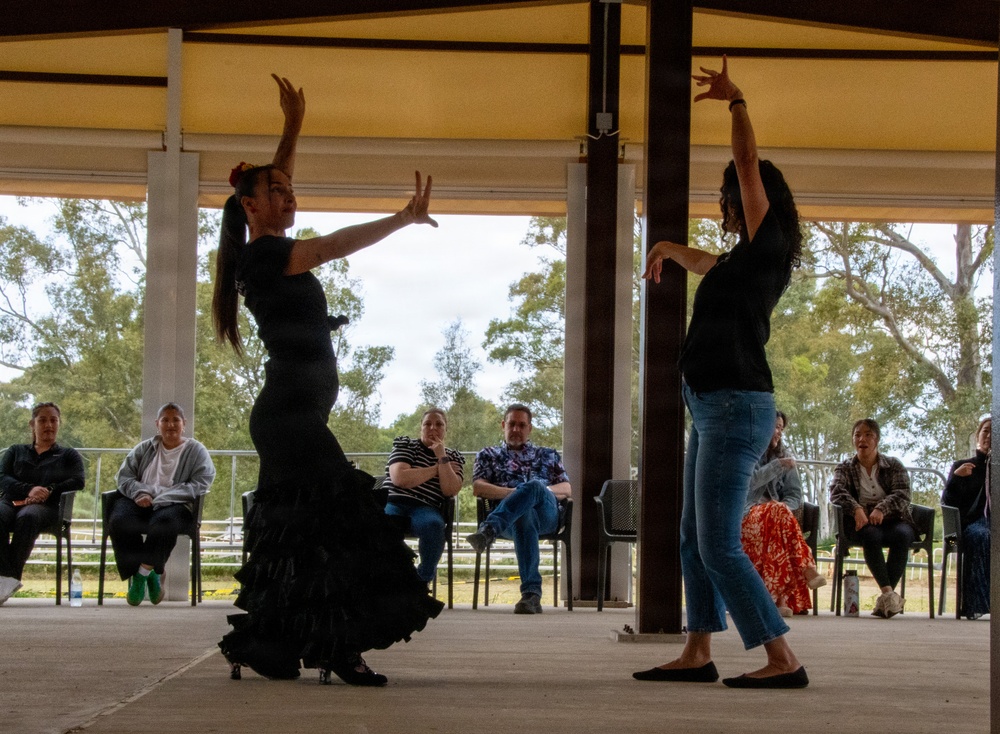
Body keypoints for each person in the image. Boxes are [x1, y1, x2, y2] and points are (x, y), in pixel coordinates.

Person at [213, 75, 441, 687]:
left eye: (291, 192)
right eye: (277, 195)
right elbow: (335, 244)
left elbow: (272, 181)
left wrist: (292, 128)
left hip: (294, 416)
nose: (289, 198)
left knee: (300, 536)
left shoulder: (265, 242)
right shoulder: (264, 255)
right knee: (341, 522)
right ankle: (339, 648)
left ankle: (275, 642)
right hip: (288, 418)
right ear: (251, 208)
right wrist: (401, 217)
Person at [632, 57, 808, 688]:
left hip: (735, 405)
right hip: (709, 404)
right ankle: (698, 650)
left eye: (731, 194)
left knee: (718, 546)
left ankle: (782, 658)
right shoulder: (745, 260)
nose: (728, 201)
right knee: (691, 538)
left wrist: (737, 103)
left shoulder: (770, 241)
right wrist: (671, 249)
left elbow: (748, 164)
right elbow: (712, 263)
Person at [465, 403, 572, 615]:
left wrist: (534, 493)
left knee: (534, 487)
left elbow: (566, 488)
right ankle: (531, 595)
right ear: (503, 425)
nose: (516, 429)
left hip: (547, 516)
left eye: (522, 425)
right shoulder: (488, 454)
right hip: (511, 522)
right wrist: (519, 497)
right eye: (512, 424)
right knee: (525, 514)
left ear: (529, 428)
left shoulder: (548, 454)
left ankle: (488, 531)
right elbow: (478, 487)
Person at [111, 403, 215, 606]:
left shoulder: (196, 450)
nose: (170, 425)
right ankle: (153, 572)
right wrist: (140, 492)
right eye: (165, 420)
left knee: (165, 522)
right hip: (140, 499)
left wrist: (164, 497)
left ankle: (141, 576)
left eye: (175, 420)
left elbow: (202, 482)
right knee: (119, 521)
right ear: (157, 424)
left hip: (175, 504)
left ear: (184, 424)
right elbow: (124, 477)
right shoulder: (144, 448)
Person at [829, 418, 915, 618]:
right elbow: (837, 492)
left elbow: (903, 493)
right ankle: (889, 596)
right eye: (858, 435)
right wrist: (857, 508)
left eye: (868, 435)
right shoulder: (845, 467)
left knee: (903, 535)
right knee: (871, 536)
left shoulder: (893, 464)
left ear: (877, 440)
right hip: (863, 521)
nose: (862, 439)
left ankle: (887, 598)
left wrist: (882, 508)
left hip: (894, 518)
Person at [741, 411, 825, 617]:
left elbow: (795, 494)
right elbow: (747, 484)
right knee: (776, 511)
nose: (778, 432)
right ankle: (805, 570)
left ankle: (779, 602)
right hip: (746, 515)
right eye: (774, 426)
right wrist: (776, 467)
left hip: (775, 518)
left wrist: (785, 508)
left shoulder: (783, 453)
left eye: (781, 428)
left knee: (778, 513)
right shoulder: (746, 451)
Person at [0, 402, 85, 604]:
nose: (49, 425)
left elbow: (78, 480)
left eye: (53, 420)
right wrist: (28, 489)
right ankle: (6, 577)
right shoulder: (15, 451)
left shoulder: (68, 455)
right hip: (11, 502)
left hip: (46, 508)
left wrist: (49, 490)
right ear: (32, 424)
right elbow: (2, 476)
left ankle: (8, 579)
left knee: (28, 516)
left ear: (59, 424)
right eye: (43, 420)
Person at [383, 408, 465, 585]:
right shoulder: (406, 445)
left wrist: (441, 457)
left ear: (445, 430)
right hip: (395, 501)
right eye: (427, 424)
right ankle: (394, 578)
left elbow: (450, 489)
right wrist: (438, 469)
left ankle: (420, 582)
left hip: (426, 507)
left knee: (434, 526)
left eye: (439, 424)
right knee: (382, 525)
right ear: (420, 427)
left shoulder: (453, 456)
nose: (433, 428)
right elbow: (400, 478)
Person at [941, 416, 991, 619]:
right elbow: (948, 503)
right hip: (966, 528)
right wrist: (955, 480)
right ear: (978, 436)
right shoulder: (963, 466)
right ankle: (976, 605)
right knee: (982, 536)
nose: (989, 436)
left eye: (994, 432)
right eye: (985, 431)